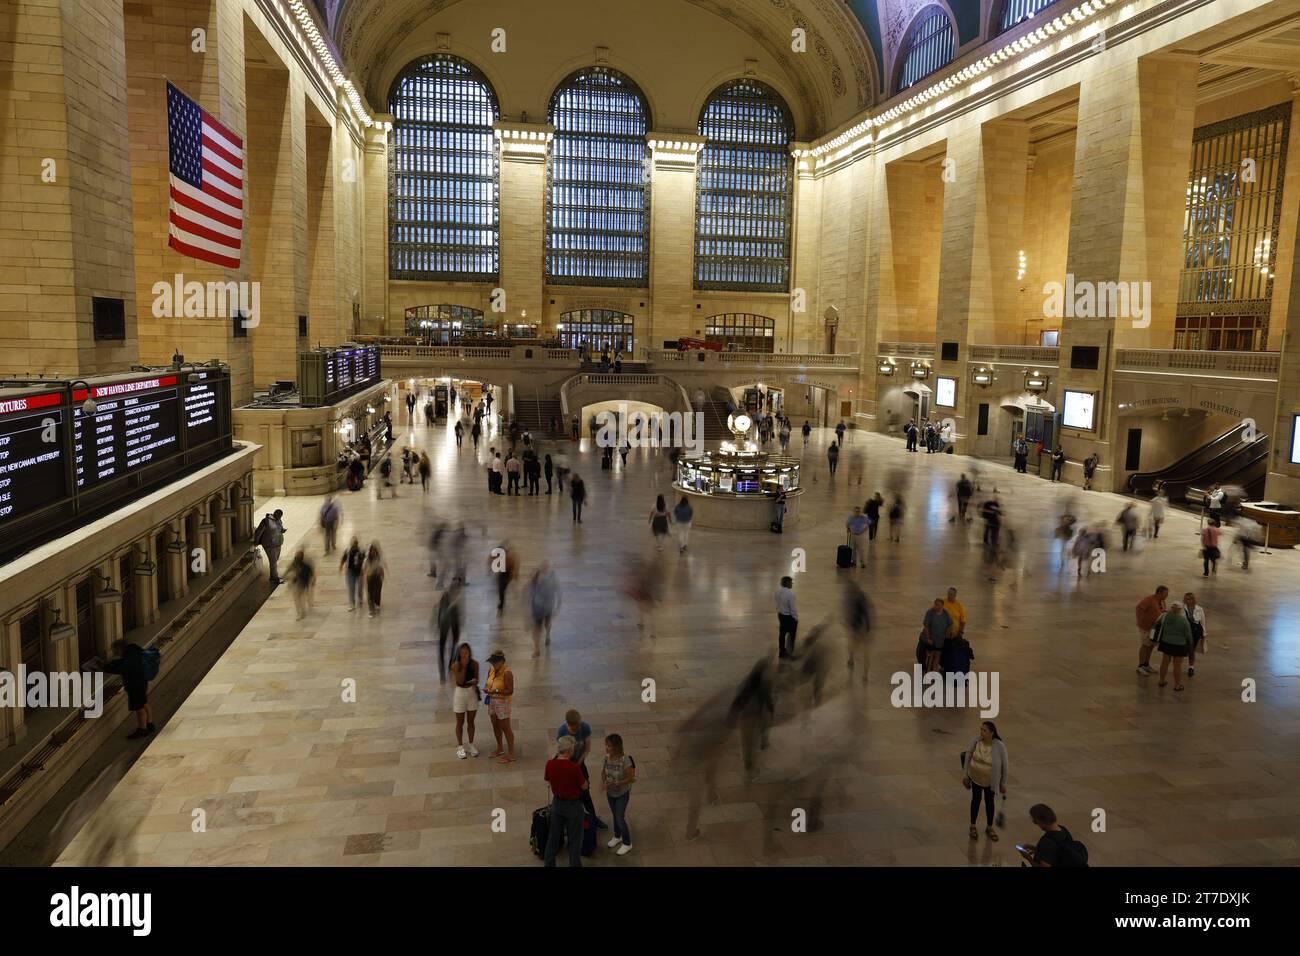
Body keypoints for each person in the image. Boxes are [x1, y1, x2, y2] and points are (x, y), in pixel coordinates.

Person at [557, 709, 608, 829]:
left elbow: (587, 748)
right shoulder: (562, 731)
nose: (578, 728)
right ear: (569, 724)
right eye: (575, 727)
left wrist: (579, 762)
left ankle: (593, 819)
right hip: (567, 765)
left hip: (579, 764)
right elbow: (561, 751)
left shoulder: (584, 727)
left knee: (586, 794)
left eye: (579, 724)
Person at [543, 736, 588, 867]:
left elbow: (548, 780)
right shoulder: (574, 768)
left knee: (553, 837)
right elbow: (584, 786)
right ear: (569, 751)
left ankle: (549, 863)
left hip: (557, 804)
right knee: (575, 840)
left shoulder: (550, 764)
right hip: (573, 806)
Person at [961, 720, 1007, 842]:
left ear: (992, 733)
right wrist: (966, 775)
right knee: (975, 801)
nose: (981, 732)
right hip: (976, 778)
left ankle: (990, 827)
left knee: (989, 802)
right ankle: (973, 826)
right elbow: (968, 756)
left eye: (984, 730)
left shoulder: (999, 746)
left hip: (990, 781)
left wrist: (1003, 782)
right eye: (981, 729)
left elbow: (1005, 765)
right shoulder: (975, 741)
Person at [103, 640, 154, 739]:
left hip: (135, 685)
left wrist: (106, 668)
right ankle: (149, 724)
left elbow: (122, 668)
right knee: (144, 703)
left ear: (119, 648)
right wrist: (113, 662)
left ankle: (142, 729)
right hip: (141, 682)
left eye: (115, 651)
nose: (114, 653)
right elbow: (126, 662)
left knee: (139, 708)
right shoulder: (133, 650)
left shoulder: (129, 656)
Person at [601, 734, 636, 856]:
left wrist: (619, 782)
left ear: (616, 747)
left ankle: (627, 843)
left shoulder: (625, 760)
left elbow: (631, 778)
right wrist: (605, 781)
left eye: (609, 746)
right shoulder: (607, 758)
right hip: (610, 793)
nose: (606, 748)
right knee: (615, 814)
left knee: (619, 818)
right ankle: (617, 836)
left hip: (622, 794)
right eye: (606, 745)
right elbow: (603, 772)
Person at [1022, 804, 1088, 867]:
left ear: (1041, 821)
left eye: (1035, 821)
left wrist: (1028, 858)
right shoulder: (1063, 830)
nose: (1036, 824)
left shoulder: (1047, 842)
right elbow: (1059, 851)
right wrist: (1036, 849)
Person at [484, 650, 515, 762]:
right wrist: (487, 689)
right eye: (492, 663)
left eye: (495, 663)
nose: (493, 665)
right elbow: (487, 683)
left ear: (502, 661)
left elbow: (510, 691)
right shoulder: (491, 670)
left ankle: (511, 753)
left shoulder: (507, 673)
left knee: (505, 727)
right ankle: (500, 748)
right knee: (495, 724)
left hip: (502, 702)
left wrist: (496, 691)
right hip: (492, 701)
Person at [450, 643, 480, 759]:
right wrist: (464, 666)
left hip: (471, 692)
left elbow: (477, 679)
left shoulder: (475, 664)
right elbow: (460, 680)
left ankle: (471, 744)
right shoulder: (455, 665)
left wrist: (474, 681)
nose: (464, 654)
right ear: (459, 653)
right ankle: (460, 746)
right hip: (460, 693)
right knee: (460, 722)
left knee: (471, 721)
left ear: (469, 652)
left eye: (466, 652)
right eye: (462, 652)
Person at [1156, 602, 1192, 691]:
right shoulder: (1183, 621)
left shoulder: (1165, 616)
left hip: (1166, 642)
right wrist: (1190, 643)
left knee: (1165, 662)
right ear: (1180, 610)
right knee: (1177, 666)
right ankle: (1177, 685)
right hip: (1179, 645)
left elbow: (1158, 623)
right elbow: (1188, 635)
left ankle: (1161, 681)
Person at [1135, 584, 1169, 675]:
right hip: (1146, 627)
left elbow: (1161, 611)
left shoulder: (1162, 601)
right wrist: (1141, 620)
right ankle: (1141, 666)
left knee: (1151, 645)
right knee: (1145, 645)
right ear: (1159, 593)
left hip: (1155, 628)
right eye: (1165, 594)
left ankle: (1146, 664)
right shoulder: (1149, 600)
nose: (1167, 596)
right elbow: (1139, 608)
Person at [529, 563, 561, 657]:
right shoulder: (534, 582)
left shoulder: (550, 580)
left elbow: (557, 590)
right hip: (537, 609)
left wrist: (558, 603)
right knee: (536, 630)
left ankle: (547, 635)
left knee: (546, 624)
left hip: (547, 608)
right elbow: (529, 596)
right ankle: (537, 649)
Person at [435, 580, 463, 681]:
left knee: (452, 644)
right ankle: (444, 669)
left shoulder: (452, 597)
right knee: (444, 646)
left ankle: (450, 664)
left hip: (450, 624)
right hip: (446, 624)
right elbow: (442, 613)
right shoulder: (447, 597)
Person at [253, 509, 286, 585]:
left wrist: (282, 530)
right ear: (275, 514)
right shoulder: (266, 521)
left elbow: (279, 528)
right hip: (269, 544)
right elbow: (259, 531)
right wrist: (256, 541)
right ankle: (274, 577)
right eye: (278, 516)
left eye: (281, 516)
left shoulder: (279, 520)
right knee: (273, 561)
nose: (280, 517)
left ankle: (273, 576)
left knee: (275, 559)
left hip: (278, 543)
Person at [921, 598, 951, 673]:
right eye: (936, 605)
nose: (937, 607)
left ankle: (934, 672)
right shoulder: (930, 613)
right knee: (931, 656)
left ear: (942, 606)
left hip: (941, 640)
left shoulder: (945, 613)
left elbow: (950, 624)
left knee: (937, 656)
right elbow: (926, 626)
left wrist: (947, 635)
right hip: (932, 639)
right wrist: (928, 638)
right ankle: (928, 672)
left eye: (939, 605)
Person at [286, 548, 315, 620]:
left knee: (299, 599)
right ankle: (301, 612)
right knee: (298, 599)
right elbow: (289, 570)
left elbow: (310, 575)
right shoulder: (298, 564)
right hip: (297, 584)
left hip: (301, 584)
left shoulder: (305, 566)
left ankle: (301, 612)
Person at [1184, 592, 1207, 677]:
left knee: (1191, 650)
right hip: (1185, 631)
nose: (1187, 601)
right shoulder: (1182, 608)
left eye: (1189, 599)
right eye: (1186, 599)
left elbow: (1203, 622)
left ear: (1193, 600)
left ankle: (1191, 667)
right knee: (1182, 649)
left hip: (1195, 631)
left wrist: (1204, 634)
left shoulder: (1199, 609)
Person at [492, 541, 518, 613]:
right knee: (501, 590)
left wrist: (514, 575)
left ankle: (501, 604)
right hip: (502, 575)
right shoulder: (499, 558)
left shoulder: (509, 559)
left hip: (506, 575)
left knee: (502, 589)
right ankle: (501, 604)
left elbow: (512, 567)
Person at [776, 575, 798, 659]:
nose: (792, 584)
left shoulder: (777, 592)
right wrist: (795, 618)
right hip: (789, 617)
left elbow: (777, 603)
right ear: (787, 583)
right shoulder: (790, 594)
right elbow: (793, 608)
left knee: (782, 634)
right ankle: (790, 653)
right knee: (792, 636)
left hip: (781, 615)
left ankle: (782, 651)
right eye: (791, 582)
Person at [339, 536, 365, 611]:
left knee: (360, 587)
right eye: (353, 543)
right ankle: (352, 604)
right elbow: (343, 558)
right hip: (350, 572)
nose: (354, 544)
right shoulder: (348, 551)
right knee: (351, 588)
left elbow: (365, 560)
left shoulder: (361, 551)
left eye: (356, 543)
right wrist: (340, 566)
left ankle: (360, 599)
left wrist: (365, 568)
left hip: (360, 571)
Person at [363, 541, 385, 617]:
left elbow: (381, 567)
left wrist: (382, 575)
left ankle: (377, 603)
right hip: (370, 578)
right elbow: (364, 568)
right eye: (372, 551)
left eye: (374, 551)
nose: (373, 552)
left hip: (377, 577)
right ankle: (371, 610)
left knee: (377, 591)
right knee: (370, 594)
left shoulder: (379, 558)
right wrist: (367, 573)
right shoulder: (367, 559)